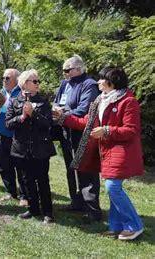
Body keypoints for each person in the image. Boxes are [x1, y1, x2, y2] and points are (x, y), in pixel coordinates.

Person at [55, 67, 144, 240]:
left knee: (113, 187)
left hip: (122, 151)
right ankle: (116, 226)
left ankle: (135, 225)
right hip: (107, 151)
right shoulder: (99, 100)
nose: (98, 82)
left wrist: (107, 130)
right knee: (112, 190)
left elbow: (131, 130)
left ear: (112, 82)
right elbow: (85, 123)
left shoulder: (128, 101)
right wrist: (63, 117)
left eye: (102, 79)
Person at [53, 55, 102, 222]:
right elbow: (56, 102)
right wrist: (57, 110)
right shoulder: (65, 84)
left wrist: (63, 112)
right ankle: (76, 202)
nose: (65, 73)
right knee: (71, 169)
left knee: (86, 171)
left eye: (68, 70)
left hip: (82, 134)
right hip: (66, 131)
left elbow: (83, 109)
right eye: (64, 70)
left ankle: (92, 209)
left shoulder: (89, 85)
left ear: (79, 69)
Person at [6, 69, 56, 224]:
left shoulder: (43, 102)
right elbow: (8, 123)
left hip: (40, 149)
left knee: (42, 180)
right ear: (25, 84)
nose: (38, 84)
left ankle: (47, 212)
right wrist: (21, 117)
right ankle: (33, 208)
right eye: (35, 81)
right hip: (21, 149)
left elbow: (48, 124)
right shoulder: (15, 101)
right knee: (27, 180)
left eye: (38, 81)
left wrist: (34, 113)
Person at [0, 68, 28, 206]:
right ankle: (11, 192)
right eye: (3, 78)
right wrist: (0, 104)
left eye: (7, 78)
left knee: (21, 167)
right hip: (3, 135)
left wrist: (4, 103)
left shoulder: (22, 92)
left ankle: (25, 196)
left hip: (18, 136)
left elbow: (18, 109)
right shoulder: (1, 92)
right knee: (5, 166)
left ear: (17, 80)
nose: (4, 80)